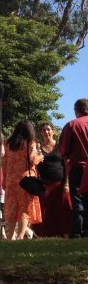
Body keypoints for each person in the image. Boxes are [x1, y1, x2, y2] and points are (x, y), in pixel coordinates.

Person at [4, 120, 44, 240]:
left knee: (11, 208)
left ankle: (10, 236)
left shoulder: (8, 143)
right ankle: (21, 235)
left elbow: (4, 162)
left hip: (11, 180)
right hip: (25, 181)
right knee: (24, 208)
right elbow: (33, 160)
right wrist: (41, 156)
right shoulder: (30, 143)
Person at [33, 121, 71, 238]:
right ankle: (46, 237)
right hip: (44, 186)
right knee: (46, 213)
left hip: (60, 185)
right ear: (41, 133)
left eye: (48, 129)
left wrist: (67, 184)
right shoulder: (38, 148)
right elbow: (34, 165)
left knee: (64, 211)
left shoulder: (60, 147)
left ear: (53, 131)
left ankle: (66, 236)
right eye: (44, 130)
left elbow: (66, 165)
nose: (46, 132)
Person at [60, 98, 88, 238]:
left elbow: (64, 150)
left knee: (77, 200)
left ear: (77, 110)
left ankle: (78, 231)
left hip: (79, 166)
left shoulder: (72, 125)